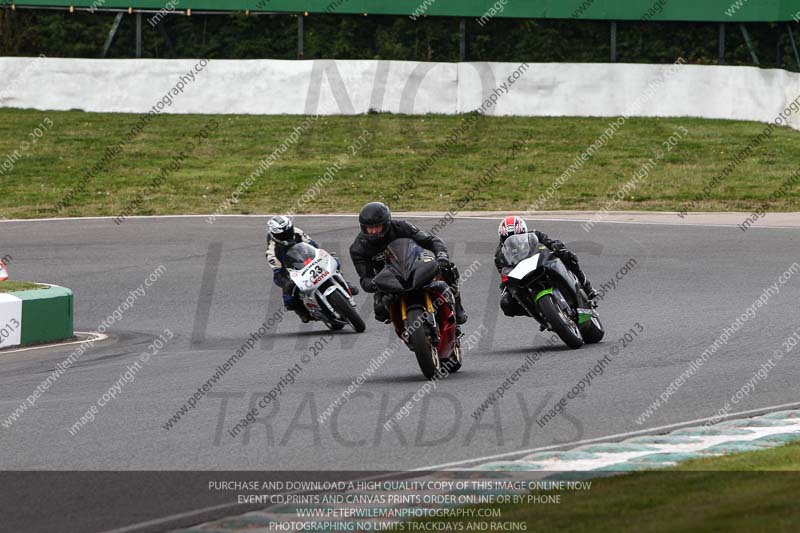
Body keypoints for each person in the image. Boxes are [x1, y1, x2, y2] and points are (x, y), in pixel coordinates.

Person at [349, 202, 467, 325]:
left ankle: (458, 305)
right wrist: (375, 283)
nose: (373, 231)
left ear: (386, 223)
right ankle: (404, 327)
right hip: (387, 278)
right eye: (369, 227)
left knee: (447, 268)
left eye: (377, 226)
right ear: (363, 227)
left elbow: (430, 240)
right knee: (380, 310)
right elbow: (365, 279)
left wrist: (442, 255)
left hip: (415, 264)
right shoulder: (358, 248)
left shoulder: (401, 227)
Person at [494, 215, 597, 317]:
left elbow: (550, 242)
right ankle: (542, 315)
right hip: (523, 276)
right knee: (506, 303)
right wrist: (507, 283)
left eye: (518, 235)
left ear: (524, 232)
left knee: (567, 256)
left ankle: (587, 288)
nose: (514, 241)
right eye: (507, 238)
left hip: (541, 264)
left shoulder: (535, 235)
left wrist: (556, 246)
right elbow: (504, 272)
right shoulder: (499, 255)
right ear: (502, 239)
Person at [266, 215, 358, 323]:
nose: (287, 235)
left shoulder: (297, 231)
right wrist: (287, 282)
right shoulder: (271, 251)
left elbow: (313, 245)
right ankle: (302, 312)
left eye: (289, 231)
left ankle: (343, 281)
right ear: (275, 235)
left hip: (306, 258)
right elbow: (278, 273)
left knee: (334, 261)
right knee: (289, 299)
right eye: (283, 234)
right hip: (289, 269)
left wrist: (321, 255)